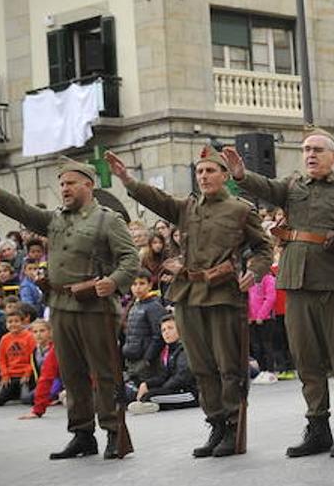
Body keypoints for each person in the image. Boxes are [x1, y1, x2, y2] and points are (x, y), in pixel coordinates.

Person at [0, 156, 140, 460]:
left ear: (88, 184)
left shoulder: (108, 219)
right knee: (72, 374)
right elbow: (21, 209)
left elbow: (130, 259)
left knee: (105, 373)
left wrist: (113, 281)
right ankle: (82, 434)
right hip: (60, 305)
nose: (64, 188)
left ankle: (113, 431)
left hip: (96, 306)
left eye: (70, 183)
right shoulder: (55, 219)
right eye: (61, 184)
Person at [107, 147, 273, 459]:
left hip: (223, 296)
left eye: (211, 171)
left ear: (225, 176)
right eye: (199, 172)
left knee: (229, 367)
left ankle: (234, 427)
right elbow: (157, 199)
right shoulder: (188, 208)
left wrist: (254, 272)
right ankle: (216, 424)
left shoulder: (240, 209)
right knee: (201, 367)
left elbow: (264, 246)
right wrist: (127, 179)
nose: (204, 176)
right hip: (188, 295)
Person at [223, 127, 334, 458]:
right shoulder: (291, 187)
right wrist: (239, 174)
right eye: (306, 149)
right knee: (307, 361)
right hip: (297, 285)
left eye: (318, 149)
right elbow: (264, 186)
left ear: (333, 157)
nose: (310, 154)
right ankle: (317, 426)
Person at [129, 312, 198, 413]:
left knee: (150, 397)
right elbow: (164, 375)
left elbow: (183, 376)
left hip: (189, 393)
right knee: (146, 394)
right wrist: (147, 384)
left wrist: (162, 389)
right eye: (163, 330)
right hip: (176, 389)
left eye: (170, 328)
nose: (166, 333)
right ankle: (148, 405)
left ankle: (151, 406)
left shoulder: (185, 348)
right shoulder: (169, 350)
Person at [122, 269, 168, 384]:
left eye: (142, 283)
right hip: (131, 359)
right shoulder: (133, 306)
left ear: (150, 285)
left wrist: (148, 359)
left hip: (146, 362)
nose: (137, 288)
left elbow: (158, 335)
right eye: (134, 284)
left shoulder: (154, 306)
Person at [0, 309, 37, 408]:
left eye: (16, 321)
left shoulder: (29, 337)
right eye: (10, 322)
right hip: (10, 375)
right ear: (6, 324)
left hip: (25, 375)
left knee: (26, 399)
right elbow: (1, 360)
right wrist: (4, 374)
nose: (13, 324)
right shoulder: (4, 339)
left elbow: (33, 359)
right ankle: (14, 392)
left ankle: (22, 391)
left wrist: (27, 373)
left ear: (23, 322)